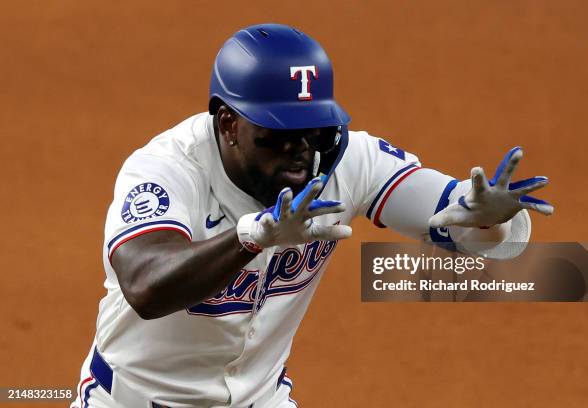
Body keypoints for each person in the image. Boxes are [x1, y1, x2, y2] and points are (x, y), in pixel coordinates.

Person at [72, 23, 553, 408]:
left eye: (315, 132)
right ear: (228, 123)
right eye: (278, 135)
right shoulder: (168, 169)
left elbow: (468, 228)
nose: (300, 152)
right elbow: (146, 286)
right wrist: (250, 238)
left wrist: (489, 221)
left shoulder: (349, 161)